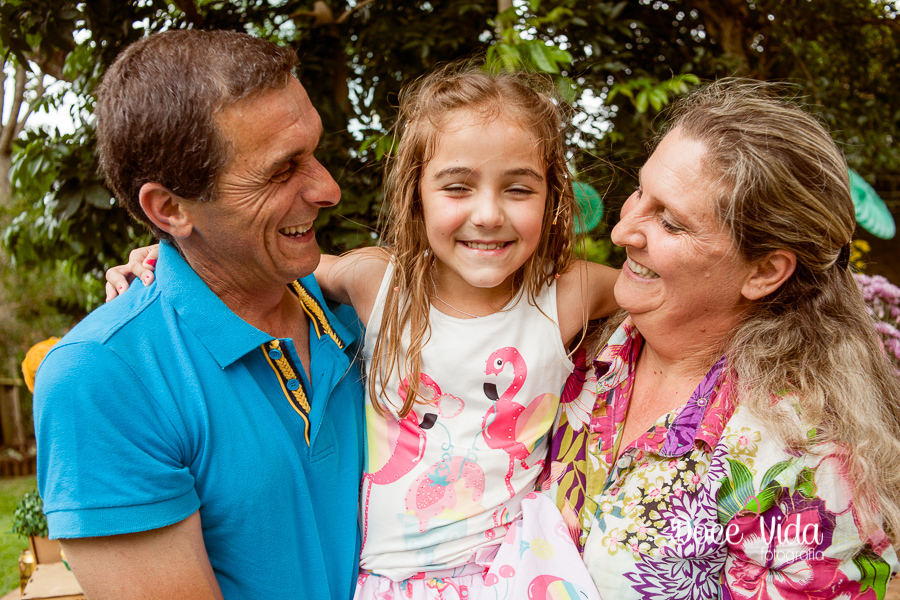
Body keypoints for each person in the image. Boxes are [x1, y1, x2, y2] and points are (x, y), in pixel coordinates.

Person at [108, 64, 621, 599]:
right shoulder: (378, 282)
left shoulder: (567, 297)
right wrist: (172, 254)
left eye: (519, 189)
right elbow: (265, 262)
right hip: (391, 583)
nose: (489, 214)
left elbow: (663, 288)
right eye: (458, 187)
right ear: (416, 192)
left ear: (552, 196)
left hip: (517, 570)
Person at [32, 30, 364, 600]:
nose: (328, 188)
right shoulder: (105, 378)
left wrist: (363, 273)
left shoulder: (357, 309)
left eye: (313, 150)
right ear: (170, 208)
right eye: (282, 170)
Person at [545, 80, 900, 599]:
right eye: (641, 192)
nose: (624, 232)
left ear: (764, 271)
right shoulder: (584, 341)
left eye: (670, 222)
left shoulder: (801, 462)